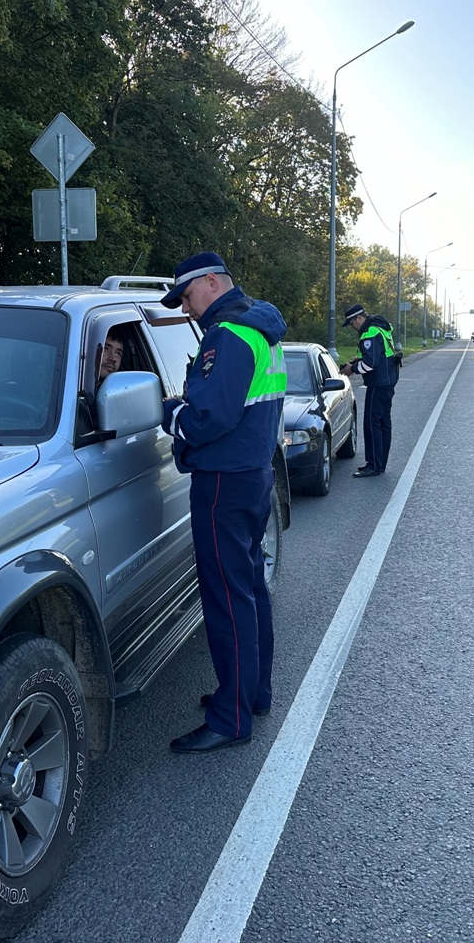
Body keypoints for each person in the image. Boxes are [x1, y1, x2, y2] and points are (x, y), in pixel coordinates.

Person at [158, 251, 287, 754]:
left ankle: (231, 718)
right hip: (252, 474)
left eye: (187, 297)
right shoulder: (259, 327)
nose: (187, 310)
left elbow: (210, 417)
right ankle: (252, 693)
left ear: (211, 282)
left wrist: (172, 415)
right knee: (249, 589)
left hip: (223, 482)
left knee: (226, 599)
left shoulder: (227, 336)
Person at [339, 302, 398, 478]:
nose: (352, 327)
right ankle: (380, 464)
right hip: (388, 381)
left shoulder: (370, 332)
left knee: (372, 424)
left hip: (378, 384)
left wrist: (352, 369)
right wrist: (357, 360)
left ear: (359, 318)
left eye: (352, 323)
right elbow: (378, 355)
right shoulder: (380, 327)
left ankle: (373, 465)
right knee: (383, 422)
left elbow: (371, 363)